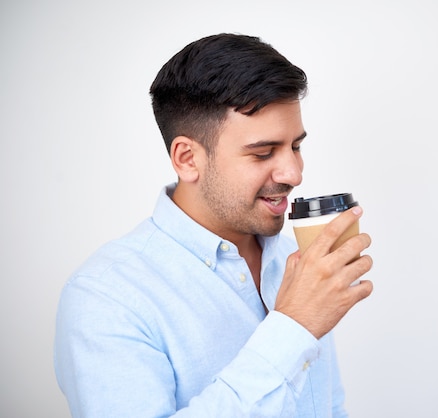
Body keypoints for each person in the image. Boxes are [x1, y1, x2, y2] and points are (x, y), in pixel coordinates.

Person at [53, 33, 373, 417]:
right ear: (187, 158)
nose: (294, 172)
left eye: (296, 146)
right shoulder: (107, 298)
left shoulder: (295, 259)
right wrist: (293, 328)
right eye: (263, 153)